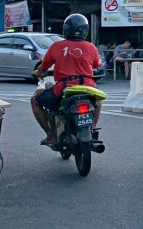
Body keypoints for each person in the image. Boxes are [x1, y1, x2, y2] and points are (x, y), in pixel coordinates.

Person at [31, 14, 102, 146]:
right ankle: (91, 129)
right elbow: (98, 65)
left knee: (35, 101)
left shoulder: (57, 46)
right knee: (97, 101)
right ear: (85, 30)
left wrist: (38, 72)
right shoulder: (91, 47)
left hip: (63, 88)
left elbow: (43, 66)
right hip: (88, 86)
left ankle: (51, 135)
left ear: (66, 29)